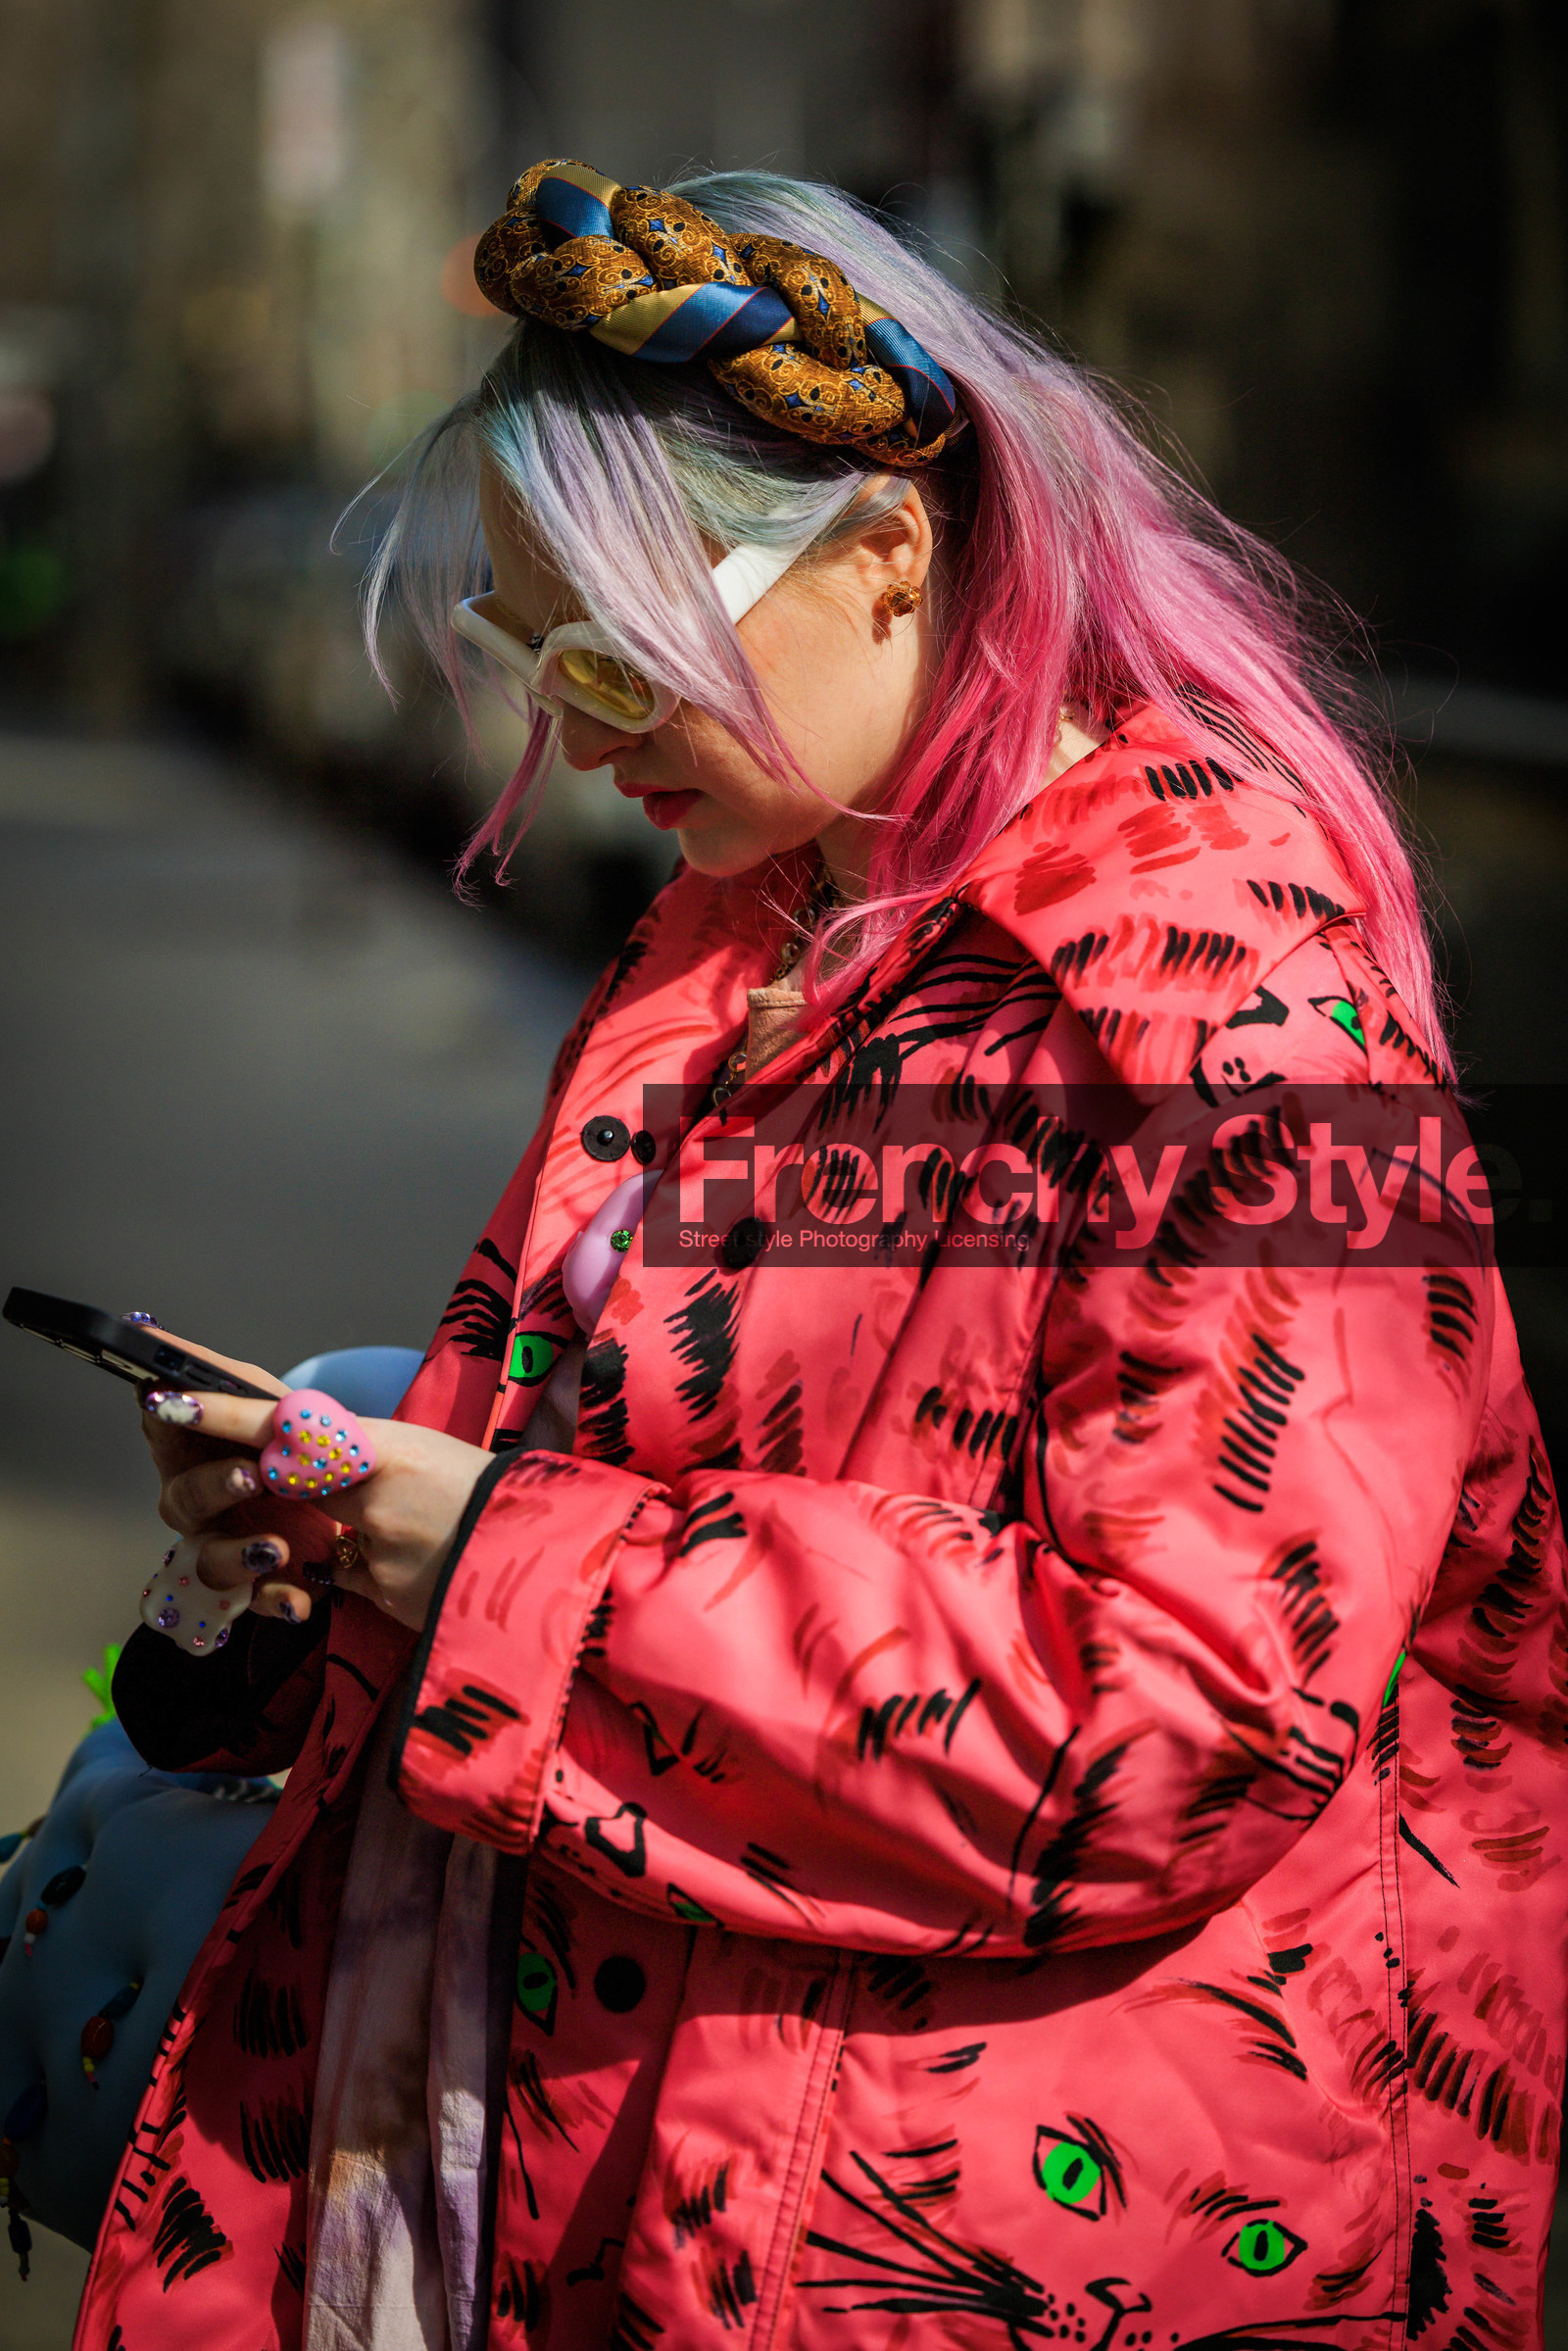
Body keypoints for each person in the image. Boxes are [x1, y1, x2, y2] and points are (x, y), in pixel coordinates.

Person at [77, 162, 1564, 2350]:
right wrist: (356, 1500)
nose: (565, 728)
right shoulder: (748, 941)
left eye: (608, 648)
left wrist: (483, 1555)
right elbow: (745, 1455)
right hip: (649, 2185)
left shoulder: (1238, 1016)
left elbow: (1173, 1724)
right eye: (520, 650)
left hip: (1009, 2254)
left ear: (882, 555)